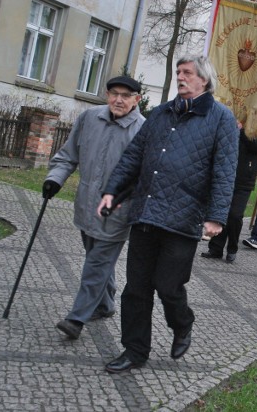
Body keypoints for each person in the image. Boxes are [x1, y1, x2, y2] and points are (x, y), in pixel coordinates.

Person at [97, 55, 239, 373]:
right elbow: (134, 156)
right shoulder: (160, 113)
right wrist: (112, 191)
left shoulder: (221, 119)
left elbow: (225, 171)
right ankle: (135, 351)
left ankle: (182, 323)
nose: (181, 76)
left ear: (204, 79)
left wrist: (216, 216)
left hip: (184, 218)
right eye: (178, 72)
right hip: (147, 212)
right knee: (136, 288)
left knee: (168, 285)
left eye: (187, 72)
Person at [43, 76, 145, 340]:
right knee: (96, 258)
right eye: (114, 93)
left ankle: (77, 318)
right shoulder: (89, 118)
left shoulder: (144, 131)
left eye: (126, 95)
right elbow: (68, 155)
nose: (119, 100)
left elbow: (145, 178)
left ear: (137, 99)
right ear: (107, 94)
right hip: (86, 205)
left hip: (118, 212)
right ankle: (105, 304)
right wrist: (54, 179)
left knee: (96, 264)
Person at [201, 118, 257, 263]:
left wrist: (242, 131)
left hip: (244, 183)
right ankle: (215, 248)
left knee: (235, 215)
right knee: (221, 213)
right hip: (225, 179)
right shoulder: (230, 129)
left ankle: (232, 248)